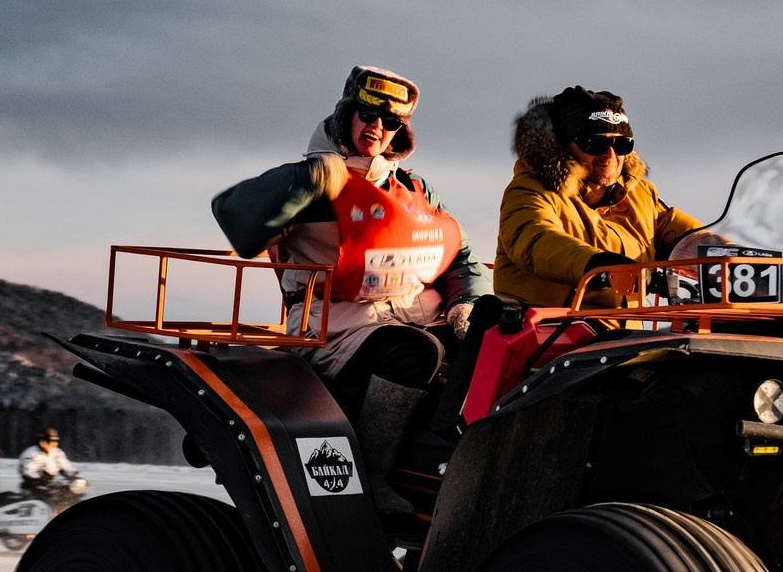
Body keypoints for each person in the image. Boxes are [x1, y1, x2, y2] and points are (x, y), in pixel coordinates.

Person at [212, 65, 488, 512]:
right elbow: (235, 217)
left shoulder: (415, 189)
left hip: (413, 314)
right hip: (333, 327)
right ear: (346, 115)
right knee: (414, 352)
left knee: (490, 340)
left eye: (392, 121)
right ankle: (372, 477)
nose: (378, 127)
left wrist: (466, 302)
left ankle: (455, 467)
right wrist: (305, 182)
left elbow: (461, 255)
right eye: (367, 114)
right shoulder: (310, 182)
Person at [495, 86, 701, 306]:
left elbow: (686, 236)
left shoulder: (639, 194)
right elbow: (534, 238)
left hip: (625, 334)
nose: (610, 155)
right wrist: (598, 265)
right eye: (595, 144)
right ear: (563, 145)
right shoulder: (530, 191)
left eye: (622, 144)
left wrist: (732, 257)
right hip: (551, 331)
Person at [19, 428, 78, 497]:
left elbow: (66, 466)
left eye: (56, 440)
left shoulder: (57, 453)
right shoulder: (32, 453)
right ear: (42, 441)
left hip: (51, 484)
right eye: (51, 440)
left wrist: (75, 476)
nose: (55, 443)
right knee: (46, 499)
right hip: (34, 487)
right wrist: (38, 480)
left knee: (72, 494)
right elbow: (28, 471)